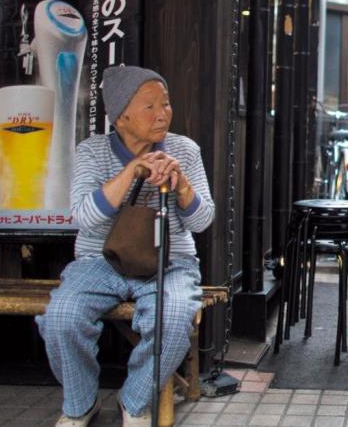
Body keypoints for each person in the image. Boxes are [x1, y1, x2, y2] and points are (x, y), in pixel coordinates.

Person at [36, 65, 215, 427]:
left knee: (176, 315)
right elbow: (83, 216)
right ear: (121, 116)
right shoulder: (91, 151)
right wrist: (132, 171)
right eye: (150, 106)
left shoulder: (185, 150)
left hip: (171, 260)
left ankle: (134, 401)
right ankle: (80, 404)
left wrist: (180, 183)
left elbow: (202, 221)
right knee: (62, 318)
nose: (163, 113)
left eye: (166, 104)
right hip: (99, 260)